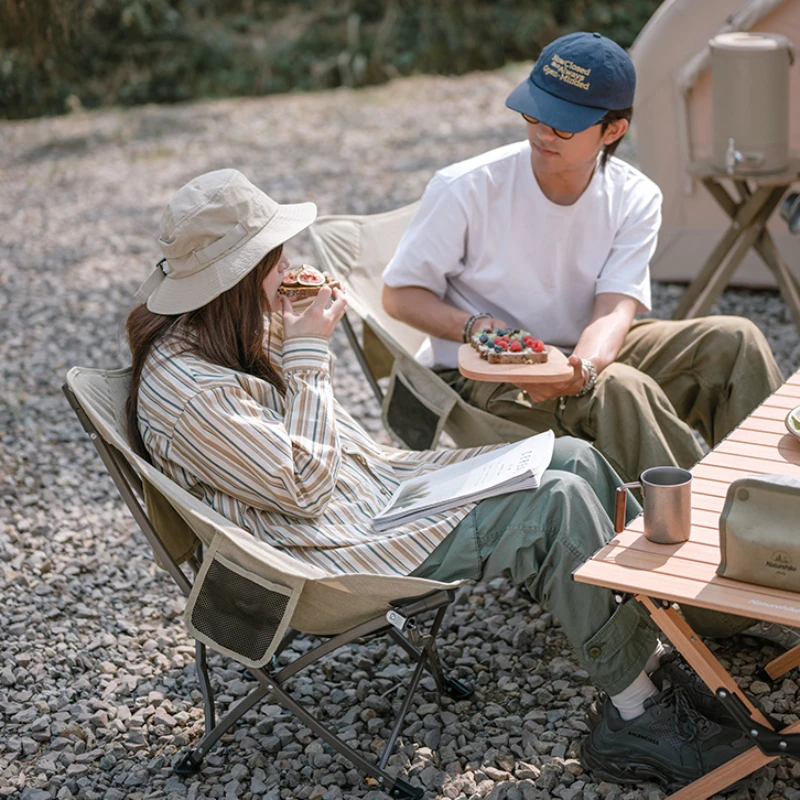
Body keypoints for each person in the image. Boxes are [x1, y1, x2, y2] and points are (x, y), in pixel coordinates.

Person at [127, 168, 756, 791]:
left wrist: (294, 330)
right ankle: (635, 714)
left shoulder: (222, 330)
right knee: (554, 505)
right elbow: (305, 489)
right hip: (332, 546)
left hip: (372, 494)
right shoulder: (190, 393)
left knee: (574, 458)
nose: (291, 263)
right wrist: (310, 349)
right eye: (277, 255)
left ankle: (649, 655)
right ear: (236, 279)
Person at [381, 31, 784, 489]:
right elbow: (398, 297)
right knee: (622, 388)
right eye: (534, 112)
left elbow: (615, 307)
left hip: (580, 351)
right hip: (484, 373)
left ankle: (774, 497)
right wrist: (476, 328)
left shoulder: (635, 197)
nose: (541, 132)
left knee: (735, 339)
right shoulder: (468, 187)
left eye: (563, 125)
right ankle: (701, 526)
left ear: (613, 130)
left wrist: (583, 369)